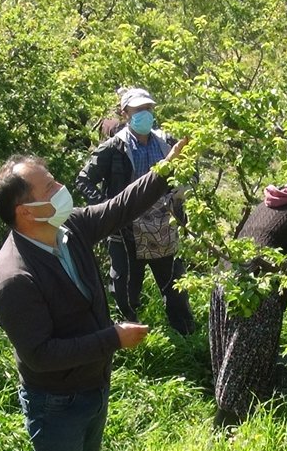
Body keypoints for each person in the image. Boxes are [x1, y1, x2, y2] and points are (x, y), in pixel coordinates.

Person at [0, 140, 188, 451]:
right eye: (49, 185)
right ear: (25, 211)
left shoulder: (67, 230)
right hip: (56, 401)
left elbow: (119, 208)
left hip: (92, 385)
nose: (61, 188)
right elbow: (42, 354)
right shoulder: (13, 278)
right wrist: (112, 338)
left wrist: (167, 171)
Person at [75, 86, 196, 335]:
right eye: (138, 109)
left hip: (165, 226)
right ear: (125, 113)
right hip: (125, 229)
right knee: (125, 288)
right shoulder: (114, 148)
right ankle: (127, 337)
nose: (145, 113)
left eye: (148, 108)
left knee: (175, 285)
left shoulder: (168, 143)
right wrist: (106, 211)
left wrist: (182, 191)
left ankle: (186, 335)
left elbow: (191, 172)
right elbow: (84, 180)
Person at [210, 183, 287, 426]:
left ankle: (238, 422)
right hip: (257, 292)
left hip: (224, 283)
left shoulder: (270, 204)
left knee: (230, 361)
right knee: (245, 368)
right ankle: (226, 431)